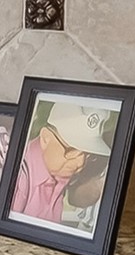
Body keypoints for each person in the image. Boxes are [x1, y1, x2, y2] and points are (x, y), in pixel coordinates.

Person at [7, 98, 116, 230]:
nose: (80, 163)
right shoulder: (18, 178)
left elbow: (75, 197)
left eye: (88, 155)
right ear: (46, 138)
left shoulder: (57, 168)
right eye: (71, 150)